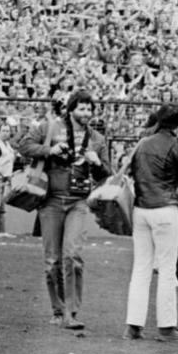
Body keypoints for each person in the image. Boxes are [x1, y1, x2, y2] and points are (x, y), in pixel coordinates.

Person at [18, 91, 111, 330]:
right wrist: (50, 150)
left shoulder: (97, 138)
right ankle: (57, 310)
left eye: (89, 109)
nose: (86, 114)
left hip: (78, 202)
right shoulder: (49, 127)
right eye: (81, 109)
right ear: (71, 110)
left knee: (73, 256)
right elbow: (24, 146)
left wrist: (96, 162)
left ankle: (71, 312)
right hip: (50, 200)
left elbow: (106, 175)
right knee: (52, 261)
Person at [124, 104, 178, 342]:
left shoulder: (142, 144)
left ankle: (133, 325)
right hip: (165, 208)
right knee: (168, 269)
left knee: (141, 268)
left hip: (141, 207)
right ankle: (167, 326)